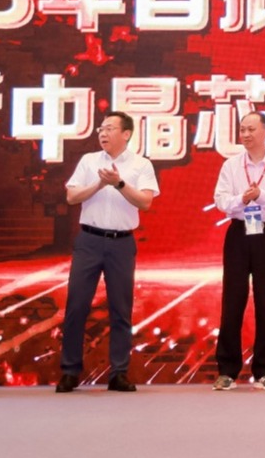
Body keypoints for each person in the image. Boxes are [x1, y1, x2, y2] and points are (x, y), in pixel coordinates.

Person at [56, 111, 159, 393]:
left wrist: (119, 184)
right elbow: (71, 196)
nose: (103, 133)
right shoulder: (89, 161)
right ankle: (70, 371)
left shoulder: (141, 164)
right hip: (88, 241)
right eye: (101, 128)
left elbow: (145, 202)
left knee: (120, 309)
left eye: (110, 128)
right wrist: (99, 184)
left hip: (121, 243)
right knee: (77, 306)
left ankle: (119, 373)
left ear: (126, 134)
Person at [212, 111, 265, 391]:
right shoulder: (231, 165)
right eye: (242, 130)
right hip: (239, 234)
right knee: (232, 301)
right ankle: (227, 371)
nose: (246, 135)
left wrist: (262, 196)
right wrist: (243, 198)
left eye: (251, 129)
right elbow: (221, 201)